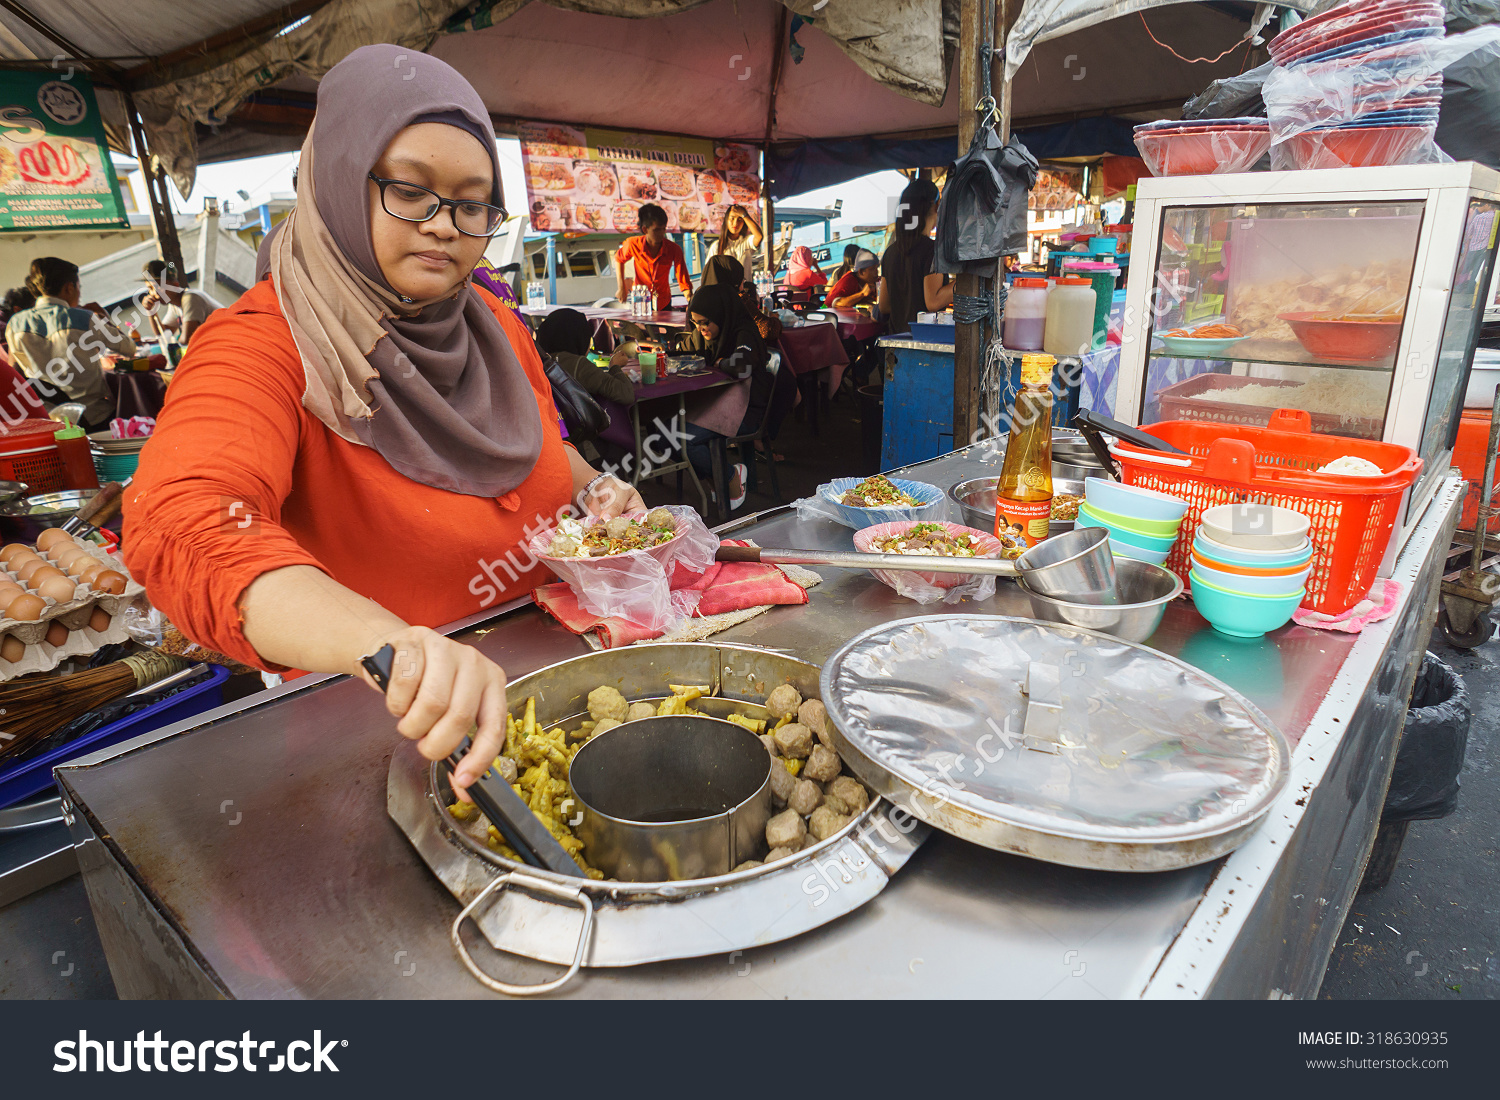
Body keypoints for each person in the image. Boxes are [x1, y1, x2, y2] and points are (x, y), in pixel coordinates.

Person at [121, 45, 647, 798]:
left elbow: (534, 454)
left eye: (471, 204)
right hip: (377, 736)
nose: (445, 226)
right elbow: (182, 520)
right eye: (410, 190)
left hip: (547, 692)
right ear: (338, 179)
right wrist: (388, 646)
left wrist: (595, 489)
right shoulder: (262, 344)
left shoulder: (492, 324)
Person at [681, 279, 790, 511]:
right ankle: (716, 478)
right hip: (716, 405)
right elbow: (684, 352)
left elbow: (741, 365)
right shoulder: (706, 335)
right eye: (695, 323)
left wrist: (720, 362)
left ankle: (729, 476)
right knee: (662, 435)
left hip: (746, 411)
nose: (700, 329)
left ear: (720, 315)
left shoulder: (744, 332)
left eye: (705, 322)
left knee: (682, 439)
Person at [5, 257, 135, 429]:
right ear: (69, 288)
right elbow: (129, 348)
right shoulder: (85, 318)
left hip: (50, 420)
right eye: (79, 287)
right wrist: (104, 318)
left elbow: (15, 373)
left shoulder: (15, 324)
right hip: (93, 416)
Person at [878, 177, 953, 334]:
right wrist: (967, 280)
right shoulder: (931, 250)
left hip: (896, 339)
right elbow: (933, 302)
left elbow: (884, 306)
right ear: (937, 206)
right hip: (924, 340)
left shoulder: (890, 252)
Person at [534, 308, 636, 407]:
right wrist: (615, 366)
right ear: (579, 338)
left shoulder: (537, 360)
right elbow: (626, 394)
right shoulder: (578, 366)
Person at [613, 203, 692, 310]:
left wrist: (690, 301)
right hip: (640, 300)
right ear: (645, 229)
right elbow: (619, 259)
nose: (661, 234)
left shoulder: (674, 249)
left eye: (663, 229)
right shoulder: (633, 244)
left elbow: (684, 281)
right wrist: (621, 287)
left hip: (663, 301)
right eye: (656, 230)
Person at [141, 259, 218, 345]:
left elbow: (186, 340)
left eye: (160, 286)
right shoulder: (174, 306)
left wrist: (173, 345)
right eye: (150, 288)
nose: (155, 292)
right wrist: (151, 311)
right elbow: (163, 336)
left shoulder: (191, 298)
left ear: (175, 284)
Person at [709, 204, 763, 276]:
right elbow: (709, 273)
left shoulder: (747, 242)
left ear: (744, 222)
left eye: (740, 220)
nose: (735, 223)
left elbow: (759, 236)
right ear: (726, 221)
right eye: (732, 218)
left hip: (745, 283)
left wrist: (744, 215)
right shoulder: (716, 246)